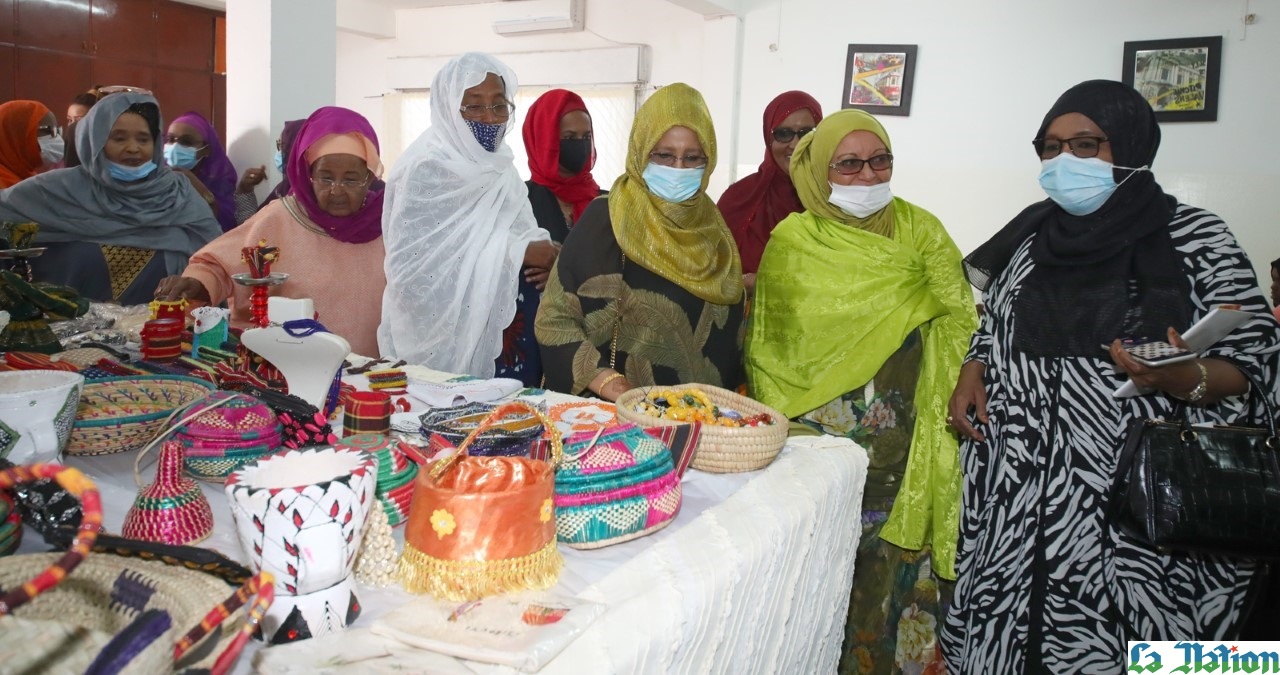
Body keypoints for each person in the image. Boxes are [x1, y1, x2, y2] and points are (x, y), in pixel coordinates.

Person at [940, 80, 1280, 671]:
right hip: (1018, 490)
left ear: (1130, 146)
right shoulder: (1031, 238)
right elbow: (993, 327)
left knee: (1136, 645)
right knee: (1010, 645)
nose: (1063, 161)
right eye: (1050, 147)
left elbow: (1254, 362)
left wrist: (1185, 379)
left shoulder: (1196, 236)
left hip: (1140, 499)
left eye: (1085, 145)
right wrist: (973, 370)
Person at [743, 109, 976, 674]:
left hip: (906, 445)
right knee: (818, 584)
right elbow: (771, 346)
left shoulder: (920, 229)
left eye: (880, 160)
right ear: (823, 172)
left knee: (890, 588)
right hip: (818, 451)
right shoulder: (792, 242)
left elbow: (963, 320)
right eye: (848, 165)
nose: (868, 176)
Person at [536, 83, 745, 401]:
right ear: (640, 151)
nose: (678, 169)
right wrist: (618, 390)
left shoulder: (713, 232)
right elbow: (554, 320)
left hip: (701, 425)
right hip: (613, 421)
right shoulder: (607, 219)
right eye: (663, 155)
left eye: (692, 158)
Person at [154, 106, 387, 357]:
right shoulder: (281, 217)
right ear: (307, 175)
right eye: (325, 178)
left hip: (368, 375)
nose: (337, 190)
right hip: (281, 370)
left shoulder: (387, 224)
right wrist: (197, 284)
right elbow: (216, 265)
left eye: (351, 179)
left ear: (369, 177)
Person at [378, 52, 558, 377]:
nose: (489, 117)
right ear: (449, 109)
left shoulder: (503, 169)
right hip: (445, 343)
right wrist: (519, 252)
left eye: (499, 104)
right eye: (474, 105)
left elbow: (524, 230)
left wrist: (546, 259)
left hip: (510, 335)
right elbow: (413, 272)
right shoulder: (425, 169)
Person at [0, 91, 220, 305]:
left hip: (162, 333)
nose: (133, 148)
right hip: (66, 334)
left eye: (143, 139)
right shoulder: (55, 191)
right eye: (119, 138)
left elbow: (214, 262)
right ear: (95, 141)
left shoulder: (179, 194)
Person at [502, 89, 606, 386]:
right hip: (531, 346)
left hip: (594, 343)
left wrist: (563, 277)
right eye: (569, 138)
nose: (581, 145)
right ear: (543, 139)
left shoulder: (607, 203)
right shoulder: (517, 202)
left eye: (586, 137)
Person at [717, 90, 822, 293]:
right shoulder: (738, 198)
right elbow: (711, 273)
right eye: (783, 134)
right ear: (768, 138)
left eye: (807, 133)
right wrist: (746, 283)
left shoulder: (834, 199)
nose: (796, 144)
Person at [163, 111, 239, 233]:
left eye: (186, 142)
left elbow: (225, 226)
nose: (175, 147)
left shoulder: (220, 183)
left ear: (206, 150)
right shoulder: (155, 178)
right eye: (170, 139)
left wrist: (193, 181)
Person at [234, 118, 305, 225]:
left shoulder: (305, 195)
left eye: (283, 146)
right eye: (279, 145)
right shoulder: (284, 187)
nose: (280, 152)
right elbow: (252, 227)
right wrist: (245, 189)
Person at [0, 101, 62, 189]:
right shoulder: (5, 189)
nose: (57, 139)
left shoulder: (24, 175)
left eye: (57, 131)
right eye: (48, 132)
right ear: (16, 136)